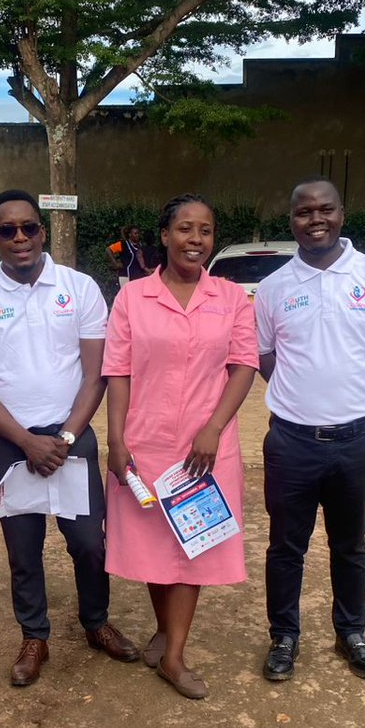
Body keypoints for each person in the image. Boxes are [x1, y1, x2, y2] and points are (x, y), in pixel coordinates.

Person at [0, 189, 137, 686]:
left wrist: (68, 434)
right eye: (8, 230)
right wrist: (27, 441)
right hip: (11, 445)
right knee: (23, 550)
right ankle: (34, 636)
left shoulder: (79, 288)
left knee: (90, 544)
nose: (20, 238)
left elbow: (96, 374)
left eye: (29, 227)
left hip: (71, 438)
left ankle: (96, 622)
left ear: (43, 231)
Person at [254, 178, 365, 683]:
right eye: (304, 212)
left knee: (351, 545)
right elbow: (263, 354)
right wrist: (298, 391)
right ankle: (284, 636)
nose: (315, 219)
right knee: (285, 547)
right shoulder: (274, 287)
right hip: (291, 443)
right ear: (292, 220)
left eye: (325, 209)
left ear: (342, 213)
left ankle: (351, 633)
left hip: (358, 441)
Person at [103, 194, 258, 699]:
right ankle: (165, 630)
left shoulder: (231, 298)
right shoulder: (133, 298)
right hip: (146, 442)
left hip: (204, 448)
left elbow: (244, 365)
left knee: (193, 542)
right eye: (185, 229)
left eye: (205, 230)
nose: (196, 239)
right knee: (155, 543)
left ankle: (173, 655)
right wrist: (116, 438)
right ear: (165, 235)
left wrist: (214, 427)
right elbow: (118, 371)